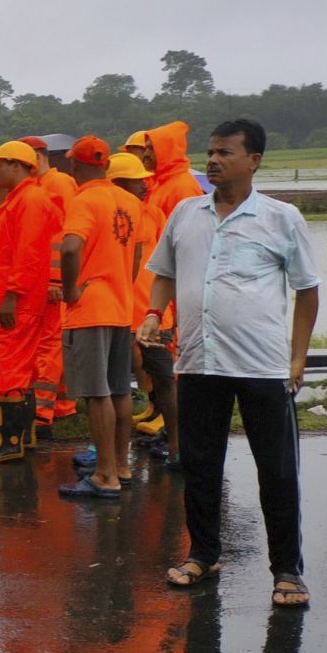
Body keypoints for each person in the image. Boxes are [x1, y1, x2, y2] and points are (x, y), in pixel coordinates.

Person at [142, 119, 321, 606]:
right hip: (199, 362)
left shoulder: (281, 218)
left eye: (224, 153)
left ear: (254, 161)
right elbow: (163, 272)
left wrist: (297, 357)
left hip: (263, 367)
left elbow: (307, 290)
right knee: (199, 465)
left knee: (277, 471)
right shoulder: (185, 213)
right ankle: (202, 553)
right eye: (210, 152)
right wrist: (154, 313)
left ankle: (287, 570)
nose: (213, 161)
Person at [56, 137, 145, 498]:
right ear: (106, 166)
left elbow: (71, 247)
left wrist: (71, 289)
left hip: (91, 308)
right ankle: (122, 467)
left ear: (75, 167)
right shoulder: (130, 202)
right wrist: (123, 284)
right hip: (121, 306)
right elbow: (137, 255)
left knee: (97, 394)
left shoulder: (83, 200)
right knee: (121, 388)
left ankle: (104, 475)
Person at [0, 140, 59, 463]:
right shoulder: (19, 200)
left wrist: (11, 295)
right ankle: (23, 435)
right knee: (21, 369)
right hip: (9, 298)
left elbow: (29, 253)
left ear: (17, 166)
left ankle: (8, 442)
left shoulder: (31, 201)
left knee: (10, 370)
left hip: (16, 301)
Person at [107, 153, 179, 468]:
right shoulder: (106, 215)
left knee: (164, 380)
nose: (144, 184)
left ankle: (177, 447)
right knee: (112, 386)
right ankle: (108, 454)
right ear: (119, 183)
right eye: (138, 179)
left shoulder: (153, 215)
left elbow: (169, 263)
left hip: (152, 313)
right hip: (119, 313)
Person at [21, 135, 78, 427]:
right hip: (47, 280)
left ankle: (42, 412)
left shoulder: (59, 184)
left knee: (49, 346)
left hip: (54, 281)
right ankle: (64, 405)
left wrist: (58, 281)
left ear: (37, 156)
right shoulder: (41, 186)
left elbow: (69, 236)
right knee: (56, 345)